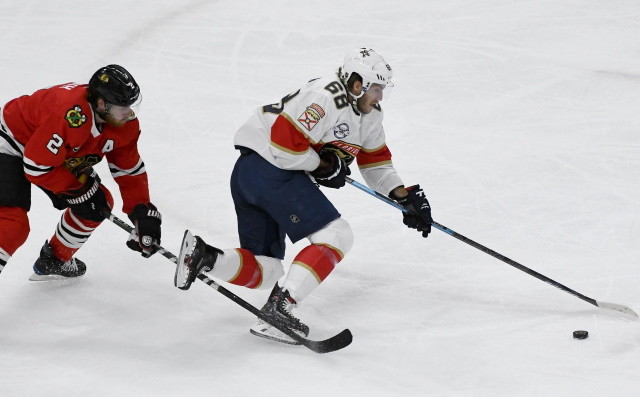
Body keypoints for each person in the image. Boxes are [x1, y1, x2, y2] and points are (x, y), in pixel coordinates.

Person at [174, 48, 432, 344]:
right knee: (337, 235)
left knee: (266, 270)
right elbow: (283, 145)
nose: (380, 97)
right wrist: (323, 166)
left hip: (251, 175)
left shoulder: (369, 114)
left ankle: (205, 257)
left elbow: (375, 162)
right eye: (376, 88)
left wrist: (402, 196)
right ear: (357, 83)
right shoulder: (326, 96)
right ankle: (279, 309)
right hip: (270, 170)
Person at [0, 64, 162, 281]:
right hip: (11, 141)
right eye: (122, 107)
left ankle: (55, 260)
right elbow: (37, 166)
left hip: (50, 154)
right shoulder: (71, 115)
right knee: (12, 225)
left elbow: (128, 168)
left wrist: (140, 210)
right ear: (101, 103)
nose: (129, 113)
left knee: (98, 203)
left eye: (130, 106)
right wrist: (78, 190)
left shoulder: (123, 123)